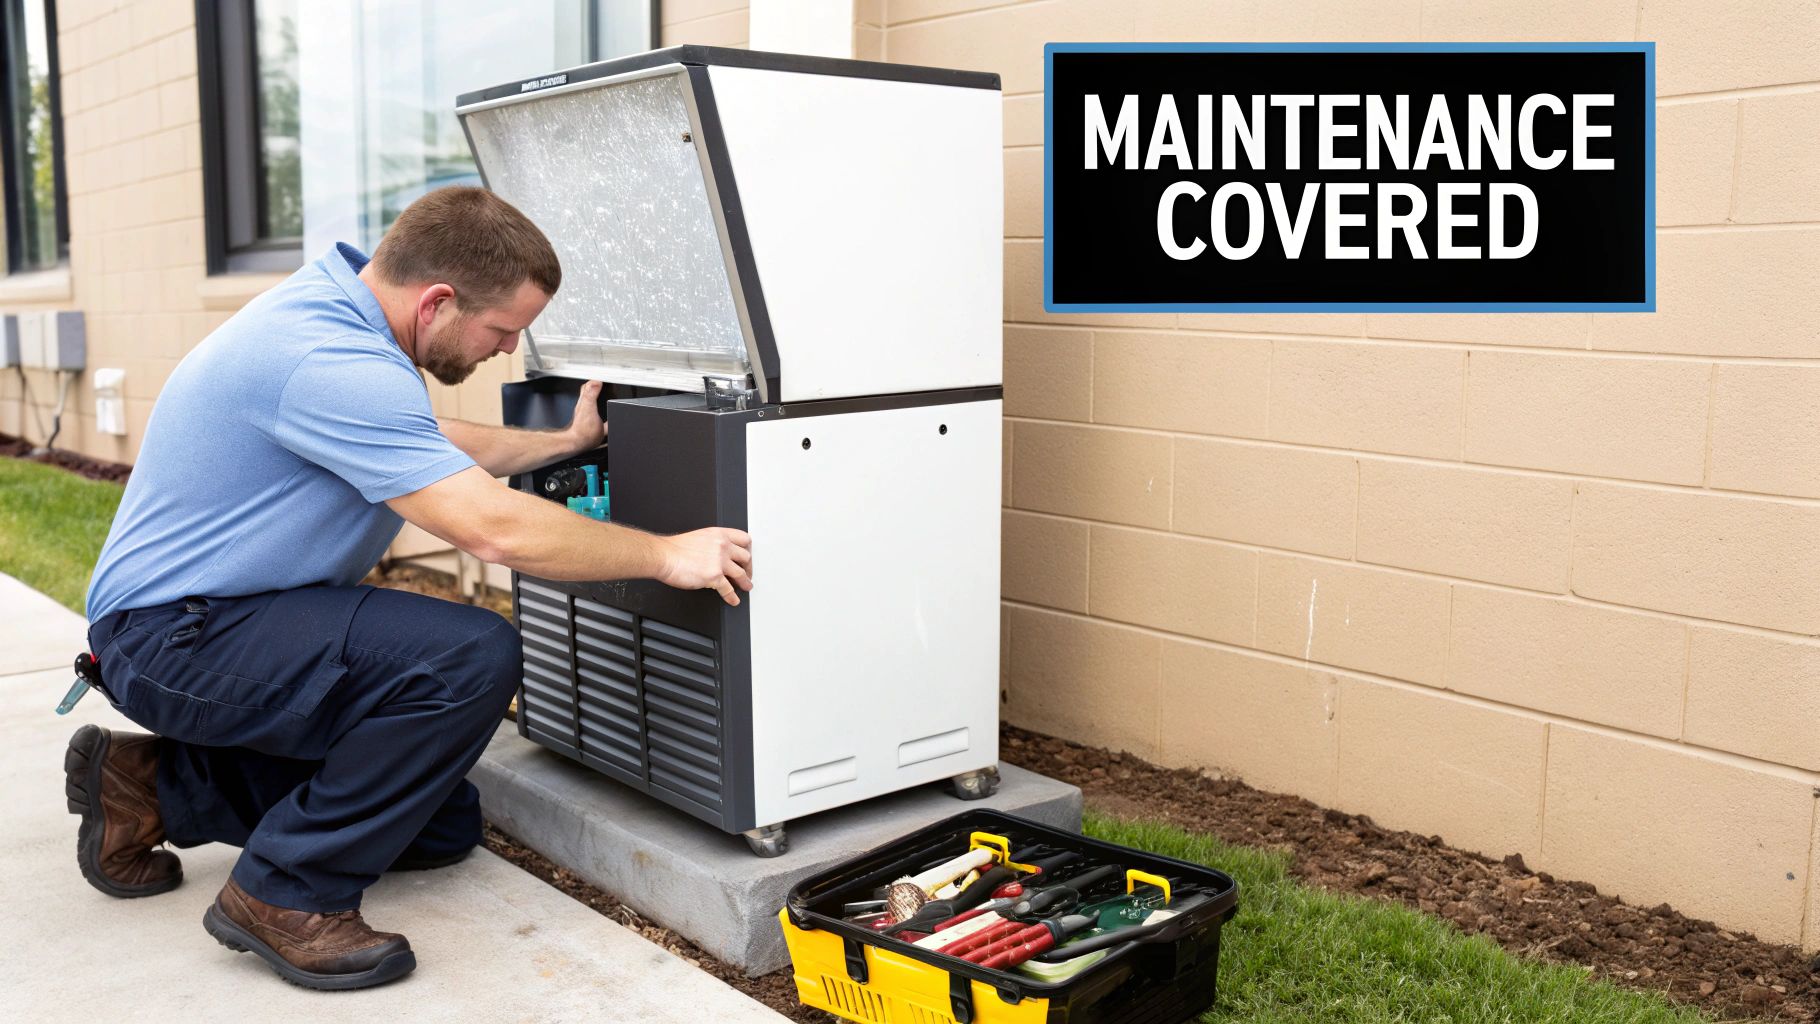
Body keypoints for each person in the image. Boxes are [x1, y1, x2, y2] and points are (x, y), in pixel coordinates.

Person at [71, 186, 752, 991]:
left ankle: (148, 786)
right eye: (502, 329)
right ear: (437, 302)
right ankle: (285, 894)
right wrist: (667, 555)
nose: (508, 348)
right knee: (465, 656)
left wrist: (561, 443)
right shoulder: (327, 360)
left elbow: (429, 437)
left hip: (212, 621)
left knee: (441, 824)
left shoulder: (341, 318)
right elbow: (492, 530)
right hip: (173, 639)